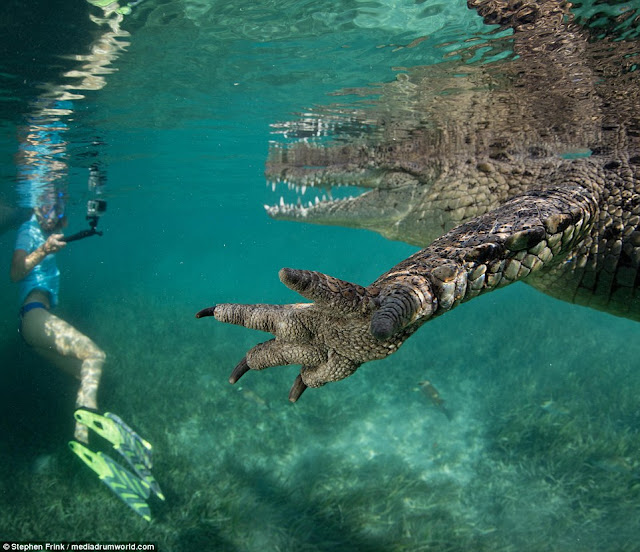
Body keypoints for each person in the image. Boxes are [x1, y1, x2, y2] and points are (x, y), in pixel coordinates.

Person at [10, 192, 106, 444]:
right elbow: (16, 272)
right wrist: (43, 250)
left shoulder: (43, 228)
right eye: (48, 208)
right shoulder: (28, 230)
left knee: (84, 373)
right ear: (38, 206)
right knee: (95, 356)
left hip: (32, 322)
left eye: (58, 210)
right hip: (33, 315)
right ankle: (84, 428)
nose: (54, 216)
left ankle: (83, 439)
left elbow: (58, 222)